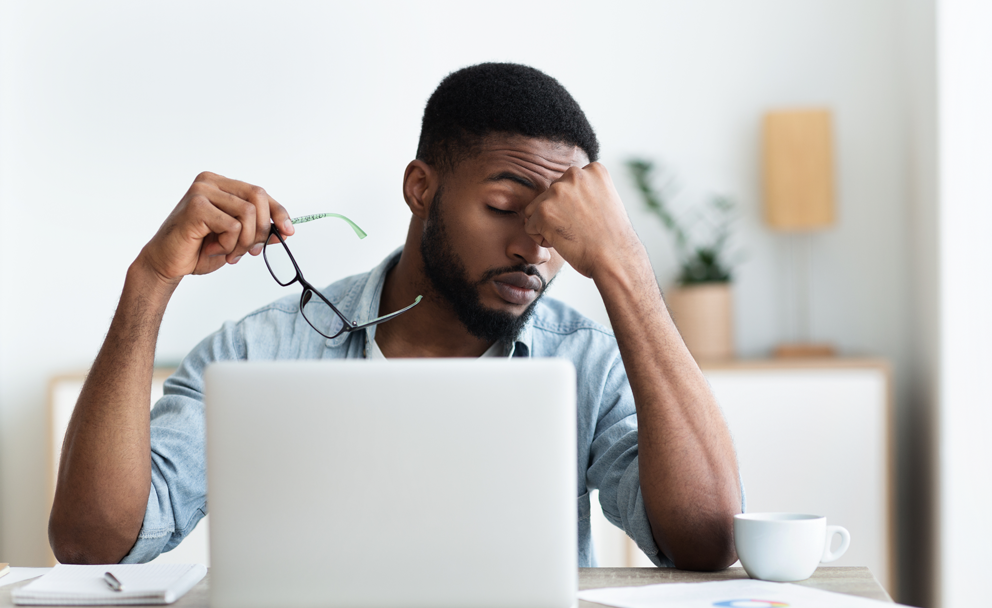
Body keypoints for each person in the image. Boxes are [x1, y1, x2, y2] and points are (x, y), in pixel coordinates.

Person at [49, 63, 743, 570]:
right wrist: (149, 283)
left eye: (560, 225)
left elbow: (708, 538)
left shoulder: (585, 359)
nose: (534, 246)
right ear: (421, 189)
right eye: (505, 208)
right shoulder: (260, 350)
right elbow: (92, 541)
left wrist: (624, 266)